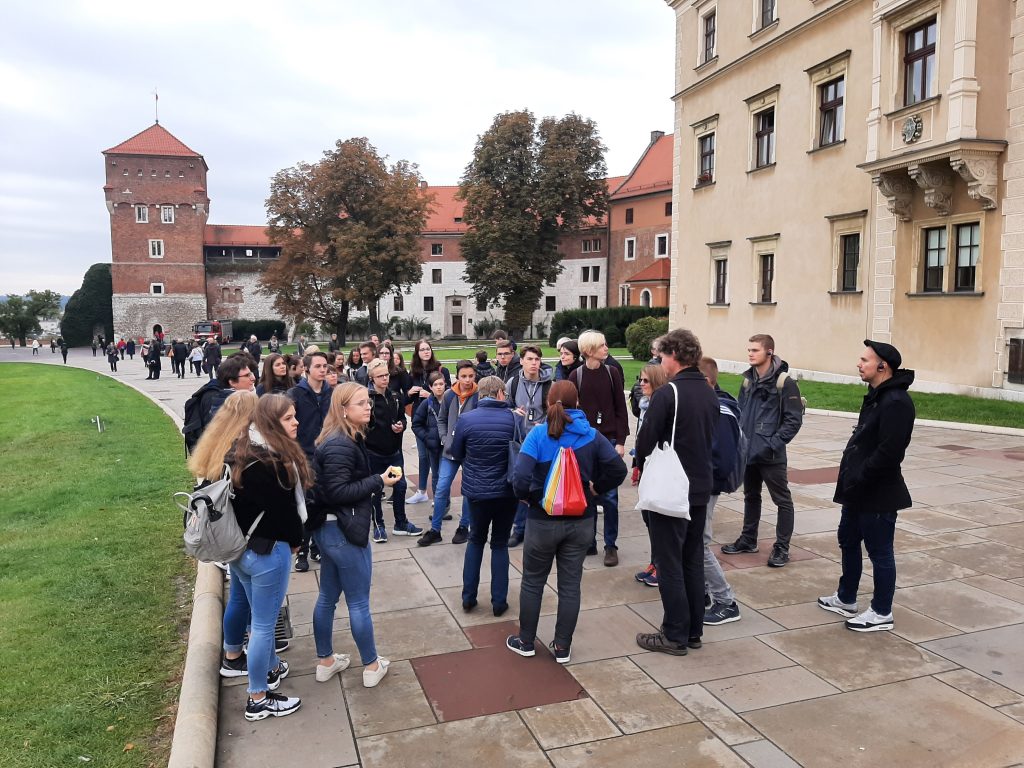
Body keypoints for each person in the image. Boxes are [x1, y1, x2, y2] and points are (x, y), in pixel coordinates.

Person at [507, 381, 627, 663]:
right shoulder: (592, 436)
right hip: (581, 521)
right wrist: (595, 491)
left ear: (549, 403)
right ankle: (562, 647)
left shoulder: (537, 435)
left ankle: (525, 641)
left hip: (542, 520)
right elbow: (618, 470)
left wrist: (527, 498)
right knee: (570, 585)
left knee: (533, 582)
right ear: (578, 403)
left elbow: (520, 477)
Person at [221, 394, 311, 720]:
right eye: (289, 418)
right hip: (268, 553)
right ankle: (258, 697)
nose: (296, 422)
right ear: (272, 424)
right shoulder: (274, 463)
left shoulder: (240, 451)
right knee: (262, 625)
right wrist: (297, 542)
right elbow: (286, 518)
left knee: (258, 619)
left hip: (240, 550)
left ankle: (271, 667)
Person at [819, 340, 915, 632]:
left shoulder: (896, 402)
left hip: (877, 493)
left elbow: (889, 452)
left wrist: (861, 477)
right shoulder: (876, 396)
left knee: (880, 552)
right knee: (847, 540)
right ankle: (846, 597)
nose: (859, 364)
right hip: (857, 491)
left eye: (865, 360)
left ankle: (881, 612)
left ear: (883, 366)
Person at [634, 329, 718, 656]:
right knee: (691, 560)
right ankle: (693, 630)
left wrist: (640, 462)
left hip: (672, 489)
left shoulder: (668, 393)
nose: (660, 362)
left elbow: (646, 439)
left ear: (673, 356)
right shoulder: (709, 391)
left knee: (669, 562)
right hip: (699, 486)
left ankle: (674, 634)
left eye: (662, 357)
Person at [310, 382, 396, 688]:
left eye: (368, 402)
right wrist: (378, 481)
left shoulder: (342, 439)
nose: (368, 407)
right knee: (358, 602)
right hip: (342, 530)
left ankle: (326, 662)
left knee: (328, 597)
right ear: (343, 410)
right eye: (361, 403)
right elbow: (337, 491)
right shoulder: (339, 444)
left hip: (332, 530)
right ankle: (372, 666)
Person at [721, 334, 803, 568]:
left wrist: (771, 444)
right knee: (751, 496)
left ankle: (782, 547)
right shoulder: (748, 380)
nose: (750, 354)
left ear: (769, 352)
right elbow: (740, 413)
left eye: (755, 350)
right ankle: (748, 539)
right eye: (749, 350)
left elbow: (793, 421)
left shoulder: (785, 383)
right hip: (748, 451)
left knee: (782, 500)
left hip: (771, 455)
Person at [450, 376, 518, 616]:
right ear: (500, 393)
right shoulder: (513, 418)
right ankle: (499, 602)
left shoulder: (466, 419)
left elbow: (456, 452)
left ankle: (468, 597)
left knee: (476, 540)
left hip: (476, 492)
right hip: (506, 492)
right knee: (499, 543)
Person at [570, 330, 628, 566]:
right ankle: (589, 541)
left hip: (609, 440)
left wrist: (621, 441)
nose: (607, 349)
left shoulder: (612, 373)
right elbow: (571, 411)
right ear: (588, 351)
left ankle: (610, 545)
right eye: (602, 346)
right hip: (585, 443)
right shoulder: (576, 376)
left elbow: (620, 408)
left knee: (611, 496)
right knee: (587, 494)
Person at [697, 357, 742, 626]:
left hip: (706, 486)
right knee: (693, 542)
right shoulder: (707, 406)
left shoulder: (720, 411)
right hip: (700, 484)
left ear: (707, 382)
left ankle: (726, 602)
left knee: (699, 544)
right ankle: (701, 592)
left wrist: (703, 483)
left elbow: (721, 459)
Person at [418, 360, 478, 547]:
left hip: (470, 453)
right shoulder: (449, 395)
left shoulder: (478, 396)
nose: (467, 380)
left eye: (471, 376)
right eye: (463, 376)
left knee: (468, 491)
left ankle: (464, 527)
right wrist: (444, 437)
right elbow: (442, 419)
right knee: (442, 487)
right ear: (456, 376)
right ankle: (435, 530)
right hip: (450, 451)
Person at [364, 358, 421, 541]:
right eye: (380, 376)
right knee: (375, 490)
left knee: (401, 486)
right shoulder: (367, 398)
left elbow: (402, 418)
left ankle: (401, 522)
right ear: (372, 378)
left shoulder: (395, 396)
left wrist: (401, 425)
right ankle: (378, 525)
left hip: (394, 452)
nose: (385, 379)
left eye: (386, 375)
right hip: (373, 452)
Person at [288, 351, 333, 572]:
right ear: (306, 369)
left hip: (326, 454)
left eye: (325, 366)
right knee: (305, 504)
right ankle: (302, 550)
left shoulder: (331, 393)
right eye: (318, 366)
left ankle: (316, 546)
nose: (323, 370)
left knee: (322, 502)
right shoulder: (295, 394)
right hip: (303, 455)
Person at [507, 345, 552, 547]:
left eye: (537, 359)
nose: (534, 363)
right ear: (522, 361)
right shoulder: (513, 382)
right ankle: (519, 529)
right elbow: (505, 406)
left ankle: (543, 529)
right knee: (522, 485)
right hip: (522, 442)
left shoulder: (550, 383)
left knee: (544, 485)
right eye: (530, 359)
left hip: (543, 441)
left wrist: (545, 424)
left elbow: (557, 411)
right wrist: (512, 412)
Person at [632, 363, 670, 587]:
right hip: (646, 465)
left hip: (659, 468)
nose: (641, 384)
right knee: (649, 519)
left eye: (646, 380)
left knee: (658, 521)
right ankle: (655, 561)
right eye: (640, 379)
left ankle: (662, 567)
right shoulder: (646, 404)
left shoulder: (660, 404)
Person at [407, 339, 451, 504]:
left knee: (438, 460)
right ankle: (422, 491)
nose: (426, 352)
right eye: (422, 349)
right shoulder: (414, 373)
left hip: (437, 418)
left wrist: (430, 395)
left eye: (428, 349)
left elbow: (448, 392)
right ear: (417, 353)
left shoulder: (441, 370)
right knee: (423, 456)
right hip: (421, 418)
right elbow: (406, 398)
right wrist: (410, 392)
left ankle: (438, 495)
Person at [410, 372, 446, 507]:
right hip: (434, 445)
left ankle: (444, 501)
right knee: (436, 474)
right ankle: (438, 500)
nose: (439, 387)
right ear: (430, 387)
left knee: (444, 475)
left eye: (441, 384)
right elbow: (416, 424)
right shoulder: (427, 403)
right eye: (435, 385)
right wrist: (427, 438)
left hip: (447, 445)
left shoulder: (451, 401)